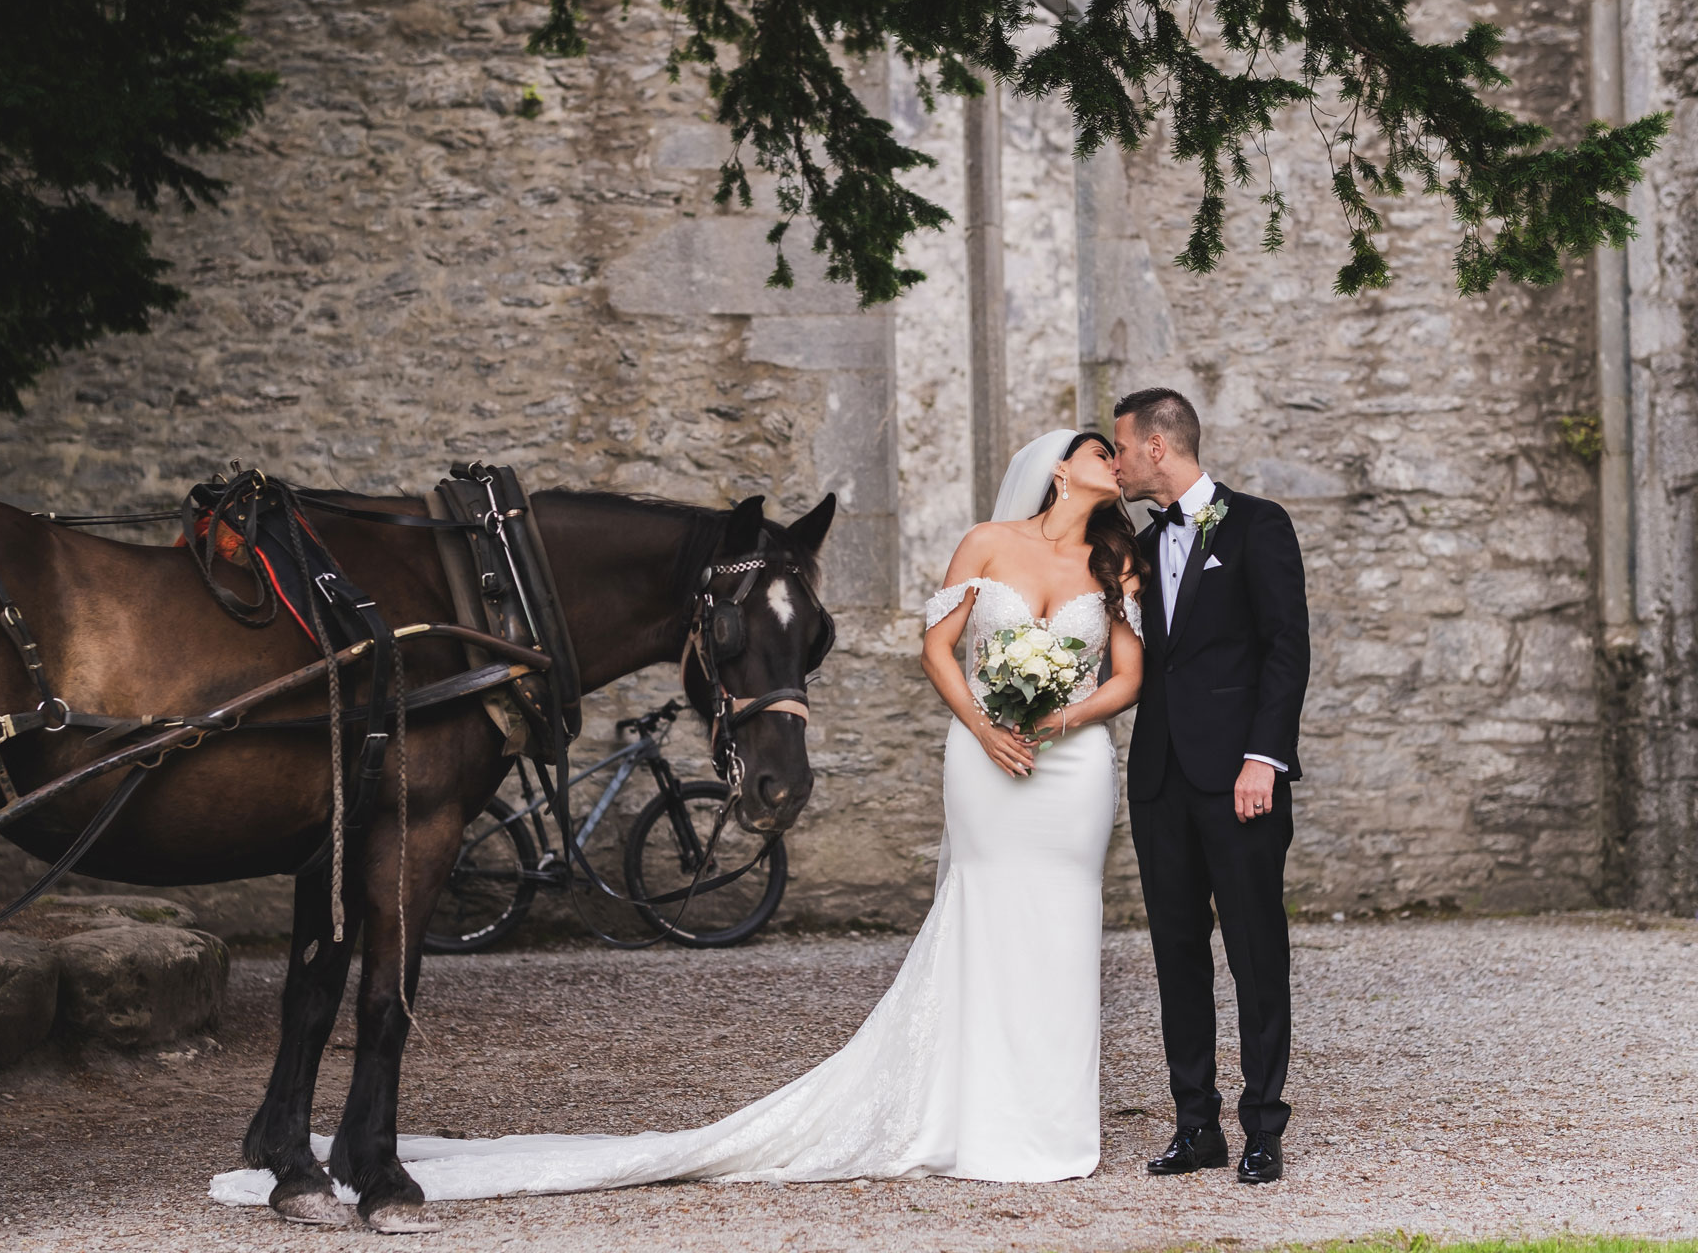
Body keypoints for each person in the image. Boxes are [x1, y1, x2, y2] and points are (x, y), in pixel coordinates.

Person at [208, 428, 1146, 1207]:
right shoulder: (988, 542)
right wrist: (986, 722)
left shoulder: (1114, 561)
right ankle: (976, 1105)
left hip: (1069, 766)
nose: (1111, 458)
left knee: (1065, 929)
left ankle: (1045, 1116)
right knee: (986, 919)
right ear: (1059, 469)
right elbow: (939, 649)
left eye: (1118, 450)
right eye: (1096, 448)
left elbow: (1130, 671)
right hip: (990, 757)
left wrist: (1060, 716)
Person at [1110, 387, 1310, 1186]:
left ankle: (1263, 1126)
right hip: (1159, 778)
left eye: (1121, 448)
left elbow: (1286, 649)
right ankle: (1196, 1125)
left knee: (1256, 951)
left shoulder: (1259, 524)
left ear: (1157, 447)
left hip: (1240, 779)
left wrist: (1264, 758)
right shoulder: (1137, 546)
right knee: (1177, 953)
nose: (1115, 463)